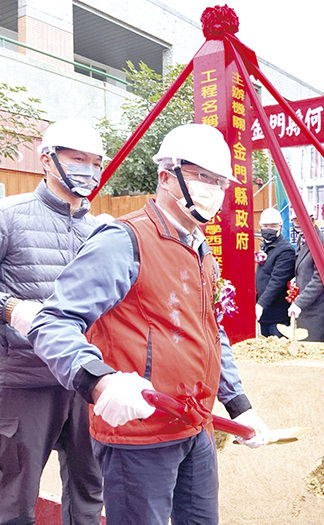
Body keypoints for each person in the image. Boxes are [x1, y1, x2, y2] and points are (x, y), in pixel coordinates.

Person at [28, 124, 270, 525]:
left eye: (219, 182)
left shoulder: (199, 250)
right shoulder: (124, 240)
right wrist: (100, 379)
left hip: (195, 426)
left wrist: (238, 404)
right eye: (201, 176)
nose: (212, 189)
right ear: (166, 176)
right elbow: (54, 321)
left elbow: (211, 332)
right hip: (139, 435)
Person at [0, 118, 105, 525]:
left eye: (95, 162)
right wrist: (12, 308)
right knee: (14, 496)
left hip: (87, 379)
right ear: (47, 160)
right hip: (25, 380)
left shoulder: (102, 231)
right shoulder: (10, 216)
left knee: (89, 490)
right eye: (77, 159)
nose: (89, 170)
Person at [288, 203, 324, 342]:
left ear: (312, 220)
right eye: (296, 221)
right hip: (305, 308)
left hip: (317, 311)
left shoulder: (322, 243)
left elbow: (320, 279)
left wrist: (299, 303)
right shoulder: (302, 239)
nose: (299, 224)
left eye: (302, 220)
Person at [255, 207, 295, 337]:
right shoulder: (265, 246)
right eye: (265, 226)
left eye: (273, 226)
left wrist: (261, 304)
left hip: (277, 316)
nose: (269, 229)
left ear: (280, 227)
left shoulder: (285, 251)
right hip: (264, 315)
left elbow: (277, 281)